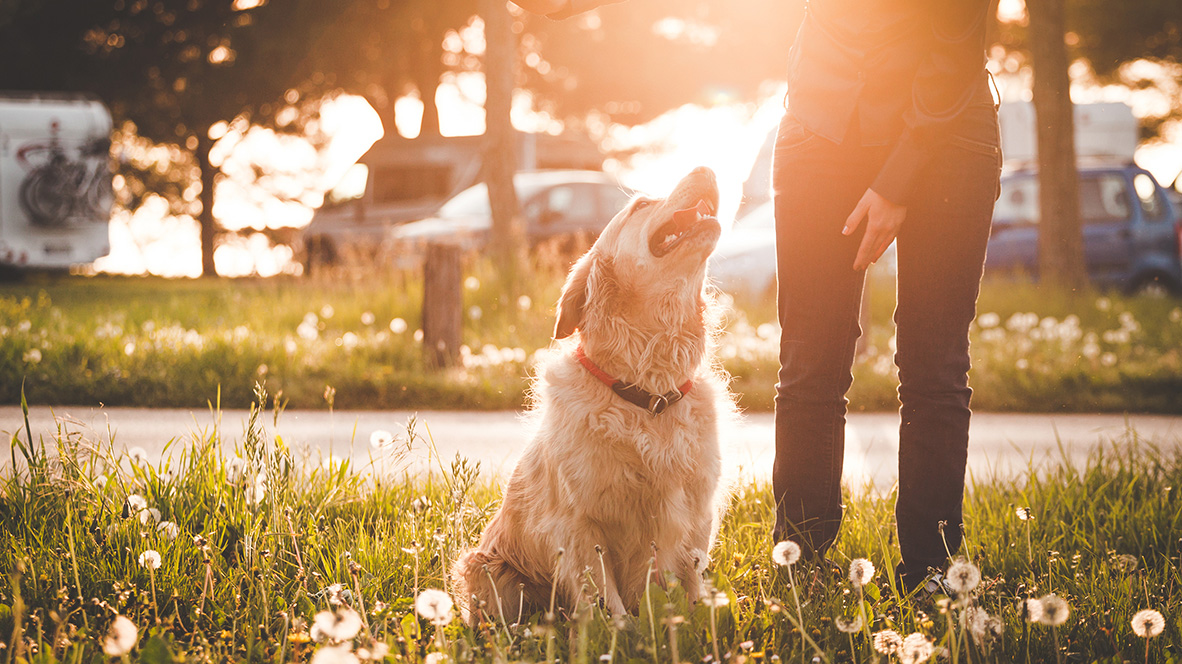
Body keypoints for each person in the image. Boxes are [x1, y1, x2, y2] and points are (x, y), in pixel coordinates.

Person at [512, 0, 1001, 593]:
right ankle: (803, 571)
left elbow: (956, 45)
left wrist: (896, 181)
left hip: (947, 137)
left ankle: (933, 573)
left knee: (934, 366)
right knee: (809, 368)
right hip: (826, 135)